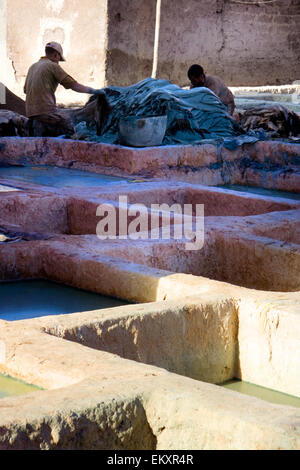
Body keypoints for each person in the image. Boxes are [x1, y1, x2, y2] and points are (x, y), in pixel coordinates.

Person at [24, 41, 101, 137]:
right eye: (59, 60)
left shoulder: (33, 66)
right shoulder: (52, 66)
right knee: (70, 124)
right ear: (56, 55)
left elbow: (25, 90)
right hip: (46, 112)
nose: (58, 63)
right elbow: (74, 86)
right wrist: (95, 91)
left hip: (30, 112)